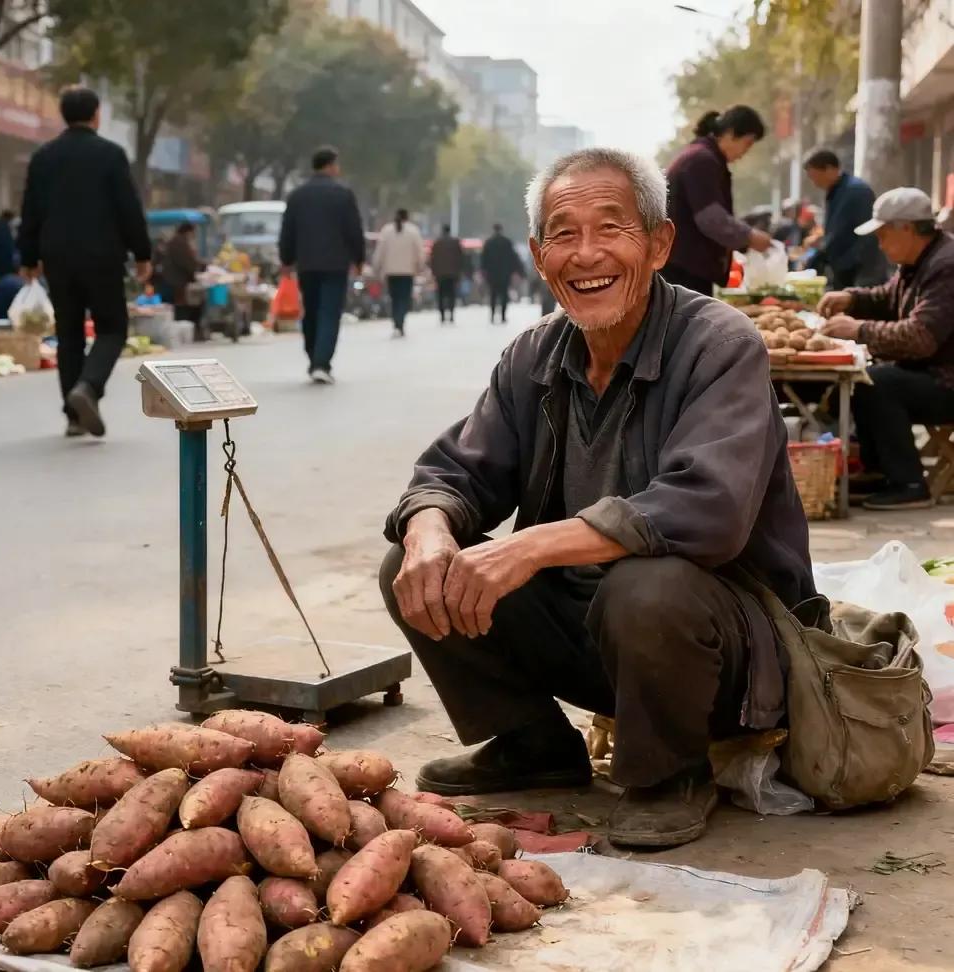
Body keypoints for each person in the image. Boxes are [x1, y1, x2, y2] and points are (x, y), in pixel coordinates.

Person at [379, 147, 814, 849]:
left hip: (719, 658)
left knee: (647, 586)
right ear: (538, 253)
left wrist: (530, 546)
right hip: (596, 643)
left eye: (611, 228)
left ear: (660, 242)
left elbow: (706, 509)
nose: (586, 255)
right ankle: (533, 743)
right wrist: (429, 530)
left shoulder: (719, 344)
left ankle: (669, 772)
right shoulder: (535, 356)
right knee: (419, 559)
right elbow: (458, 472)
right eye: (564, 233)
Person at [18, 85, 152, 438]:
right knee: (111, 328)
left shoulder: (43, 157)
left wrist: (28, 256)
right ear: (96, 115)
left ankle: (74, 417)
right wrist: (142, 253)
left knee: (69, 333)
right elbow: (128, 208)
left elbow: (30, 211)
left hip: (57, 257)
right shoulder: (110, 155)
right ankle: (89, 387)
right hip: (102, 255)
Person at [819, 187, 954, 511]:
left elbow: (921, 335)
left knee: (877, 383)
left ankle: (909, 483)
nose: (879, 245)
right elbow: (887, 298)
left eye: (883, 235)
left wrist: (860, 329)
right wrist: (852, 298)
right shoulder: (918, 260)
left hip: (947, 379)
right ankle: (879, 470)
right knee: (863, 380)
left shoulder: (946, 266)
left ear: (906, 229)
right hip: (930, 371)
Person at [279, 145, 366, 384]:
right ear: (330, 166)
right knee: (329, 313)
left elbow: (288, 230)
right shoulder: (343, 194)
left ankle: (313, 357)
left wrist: (286, 260)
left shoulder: (298, 196)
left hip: (307, 264)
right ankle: (321, 362)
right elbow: (354, 231)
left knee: (311, 312)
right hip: (335, 265)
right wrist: (358, 259)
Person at [663, 106, 772, 295]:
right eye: (747, 143)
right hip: (683, 270)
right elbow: (711, 219)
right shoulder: (701, 160)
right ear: (730, 134)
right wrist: (750, 237)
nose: (745, 152)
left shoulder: (701, 156)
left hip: (684, 267)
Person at [804, 149, 887, 289]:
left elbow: (864, 238)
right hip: (843, 270)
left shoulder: (856, 192)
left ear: (830, 169)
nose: (815, 183)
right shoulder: (835, 192)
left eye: (815, 177)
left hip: (862, 271)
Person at [373, 209, 425, 337]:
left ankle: (397, 322)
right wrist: (420, 266)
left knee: (395, 298)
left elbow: (379, 251)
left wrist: (376, 267)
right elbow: (420, 252)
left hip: (391, 272)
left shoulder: (386, 231)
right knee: (404, 298)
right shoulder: (413, 231)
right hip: (407, 272)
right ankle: (400, 322)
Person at [163, 222, 204, 336]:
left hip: (177, 280)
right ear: (188, 231)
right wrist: (200, 267)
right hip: (177, 281)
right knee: (183, 306)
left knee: (185, 305)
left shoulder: (177, 241)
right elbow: (187, 262)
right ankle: (185, 332)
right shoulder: (179, 242)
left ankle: (189, 330)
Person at [480, 224, 522, 324]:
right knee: (504, 295)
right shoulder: (507, 242)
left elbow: (484, 259)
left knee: (493, 295)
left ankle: (492, 315)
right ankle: (503, 316)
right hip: (505, 273)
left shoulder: (489, 242)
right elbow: (513, 258)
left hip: (492, 274)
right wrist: (516, 271)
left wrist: (484, 271)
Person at [429, 223, 464, 324]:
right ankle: (451, 314)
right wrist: (459, 272)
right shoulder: (455, 242)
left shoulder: (437, 243)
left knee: (440, 295)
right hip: (453, 274)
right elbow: (460, 259)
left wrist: (434, 272)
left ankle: (442, 315)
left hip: (440, 274)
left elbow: (433, 259)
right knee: (451, 294)